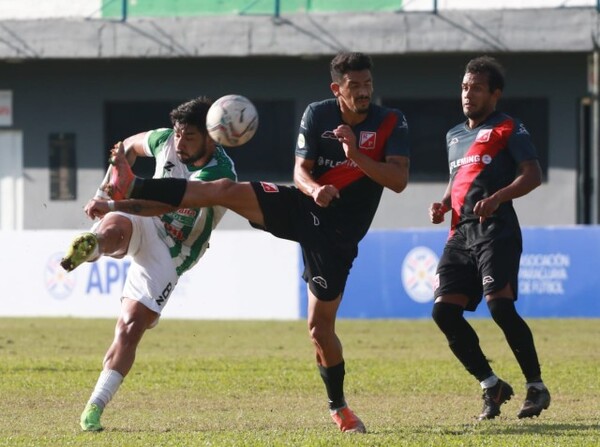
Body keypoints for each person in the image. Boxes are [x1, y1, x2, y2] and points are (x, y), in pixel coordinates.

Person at [85, 52, 410, 433]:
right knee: (224, 190)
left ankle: (339, 407)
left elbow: (398, 180)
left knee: (320, 330)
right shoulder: (317, 114)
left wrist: (354, 154)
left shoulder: (391, 122)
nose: (364, 92)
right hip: (302, 206)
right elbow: (300, 172)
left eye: (368, 84)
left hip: (337, 236)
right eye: (354, 86)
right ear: (337, 89)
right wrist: (314, 188)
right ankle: (134, 187)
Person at [60, 96, 237, 431]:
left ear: (210, 138)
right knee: (114, 225)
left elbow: (160, 204)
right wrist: (105, 190)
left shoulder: (219, 173)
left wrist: (116, 198)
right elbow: (125, 146)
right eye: (178, 134)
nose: (180, 142)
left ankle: (94, 406)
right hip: (143, 221)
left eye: (190, 137)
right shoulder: (164, 140)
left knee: (130, 326)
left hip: (173, 252)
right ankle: (94, 245)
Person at [428, 56, 550, 421]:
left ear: (494, 94)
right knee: (443, 312)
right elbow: (459, 179)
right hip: (459, 233)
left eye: (477, 87)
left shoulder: (508, 127)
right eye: (465, 86)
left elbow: (533, 175)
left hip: (496, 228)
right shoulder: (453, 135)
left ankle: (536, 387)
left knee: (500, 307)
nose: (468, 93)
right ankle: (491, 384)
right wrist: (444, 203)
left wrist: (498, 198)